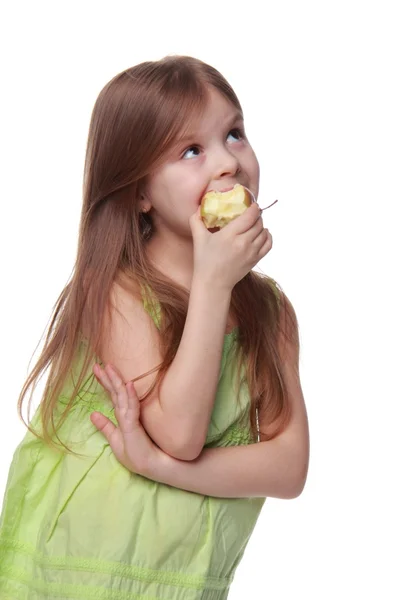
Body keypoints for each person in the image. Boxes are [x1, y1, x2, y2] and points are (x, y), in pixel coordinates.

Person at [0, 55, 309, 600]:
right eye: (191, 150)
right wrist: (213, 286)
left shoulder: (271, 314)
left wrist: (156, 466)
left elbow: (289, 469)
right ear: (140, 193)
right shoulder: (117, 292)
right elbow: (180, 434)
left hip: (181, 579)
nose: (227, 164)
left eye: (234, 134)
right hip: (81, 569)